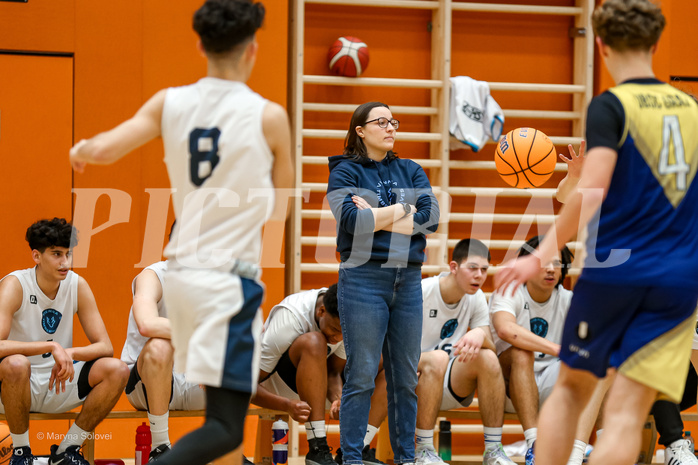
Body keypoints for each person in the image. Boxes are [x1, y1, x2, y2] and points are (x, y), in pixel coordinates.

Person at [69, 0, 294, 463]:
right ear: (253, 49)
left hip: (183, 276)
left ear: (199, 45)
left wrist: (84, 147)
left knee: (219, 427)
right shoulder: (269, 115)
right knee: (226, 428)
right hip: (231, 281)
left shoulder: (170, 101)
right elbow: (281, 207)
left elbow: (108, 147)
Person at [495, 1, 698, 464]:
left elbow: (590, 191)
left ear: (601, 45)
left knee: (571, 389)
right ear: (656, 41)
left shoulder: (612, 106)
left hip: (620, 272)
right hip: (678, 278)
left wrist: (542, 250)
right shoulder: (691, 109)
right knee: (628, 410)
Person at [326, 102, 440, 465]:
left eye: (393, 121)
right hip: (362, 278)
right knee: (361, 374)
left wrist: (377, 214)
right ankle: (353, 458)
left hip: (407, 280)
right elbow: (352, 223)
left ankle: (407, 458)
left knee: (405, 377)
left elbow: (431, 220)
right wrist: (405, 210)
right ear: (360, 130)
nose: (391, 127)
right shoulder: (344, 171)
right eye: (381, 122)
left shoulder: (411, 169)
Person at [0, 218, 130, 465]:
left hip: (58, 381)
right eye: (57, 254)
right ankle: (21, 455)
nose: (65, 263)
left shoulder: (77, 284)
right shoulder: (15, 285)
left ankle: (66, 451)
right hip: (15, 386)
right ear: (36, 256)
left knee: (118, 369)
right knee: (16, 364)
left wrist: (68, 353)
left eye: (68, 254)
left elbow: (105, 347)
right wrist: (51, 346)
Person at [491, 236, 607, 465]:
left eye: (557, 263)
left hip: (553, 383)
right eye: (543, 262)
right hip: (508, 387)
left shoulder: (570, 299)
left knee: (601, 360)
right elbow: (506, 330)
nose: (551, 269)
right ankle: (535, 445)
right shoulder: (509, 291)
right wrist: (558, 349)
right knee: (522, 353)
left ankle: (603, 448)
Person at [252, 284, 387, 465]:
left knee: (387, 362)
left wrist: (337, 398)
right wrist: (287, 405)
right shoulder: (290, 319)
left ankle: (355, 449)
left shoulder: (349, 322)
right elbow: (247, 384)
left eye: (343, 334)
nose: (338, 338)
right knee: (315, 341)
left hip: (317, 379)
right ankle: (317, 448)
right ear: (321, 311)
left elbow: (333, 372)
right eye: (335, 330)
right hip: (274, 384)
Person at [414, 239, 515, 465]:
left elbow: (492, 346)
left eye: (484, 270)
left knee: (487, 357)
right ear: (453, 267)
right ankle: (423, 450)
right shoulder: (422, 291)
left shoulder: (476, 297)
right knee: (437, 358)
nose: (479, 275)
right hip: (414, 380)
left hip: (449, 382)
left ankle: (493, 450)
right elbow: (393, 347)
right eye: (473, 268)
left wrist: (480, 335)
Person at [121, 260, 206, 462]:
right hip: (146, 384)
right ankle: (160, 449)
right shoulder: (153, 276)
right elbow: (147, 324)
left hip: (197, 382)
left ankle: (230, 451)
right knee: (160, 345)